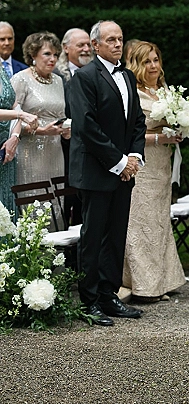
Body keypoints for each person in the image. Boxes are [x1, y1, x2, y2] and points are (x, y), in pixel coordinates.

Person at [68, 20, 146, 327]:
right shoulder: (84, 78)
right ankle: (89, 300)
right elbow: (86, 126)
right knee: (93, 236)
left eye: (120, 39)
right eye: (110, 40)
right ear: (95, 44)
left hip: (124, 170)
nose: (117, 44)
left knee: (116, 235)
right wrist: (118, 161)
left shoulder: (126, 75)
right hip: (96, 170)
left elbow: (137, 120)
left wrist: (135, 157)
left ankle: (108, 294)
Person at [123, 41, 186, 301]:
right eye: (147, 61)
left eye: (156, 60)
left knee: (160, 221)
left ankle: (162, 282)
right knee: (140, 223)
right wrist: (162, 138)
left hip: (162, 164)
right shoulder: (132, 93)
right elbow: (129, 135)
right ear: (137, 65)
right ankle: (142, 285)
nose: (153, 66)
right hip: (143, 164)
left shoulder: (164, 90)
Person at [11, 32, 69, 187]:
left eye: (56, 55)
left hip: (55, 152)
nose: (53, 59)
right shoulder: (20, 79)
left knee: (55, 200)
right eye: (47, 54)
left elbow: (61, 115)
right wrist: (40, 130)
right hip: (29, 152)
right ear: (33, 55)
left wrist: (67, 129)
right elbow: (10, 120)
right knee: (33, 203)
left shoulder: (58, 80)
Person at [54, 27, 93, 225]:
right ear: (66, 48)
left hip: (91, 150)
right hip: (63, 151)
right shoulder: (55, 75)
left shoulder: (98, 72)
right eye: (81, 45)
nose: (86, 49)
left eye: (88, 44)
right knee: (65, 200)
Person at [0, 67, 38, 219]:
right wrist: (20, 115)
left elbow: (15, 104)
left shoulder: (1, 69)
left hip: (6, 147)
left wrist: (15, 136)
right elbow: (18, 112)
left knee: (7, 201)